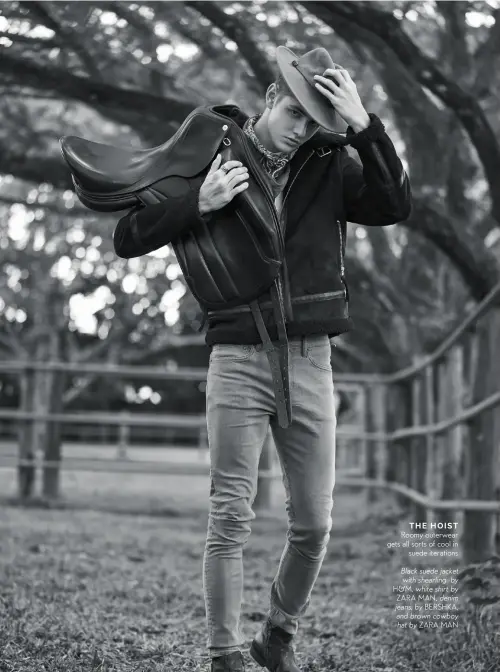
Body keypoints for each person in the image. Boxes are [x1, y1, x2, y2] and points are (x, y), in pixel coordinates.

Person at [113, 46, 411, 672]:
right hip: (236, 358)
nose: (302, 128)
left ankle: (277, 632)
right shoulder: (207, 156)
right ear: (271, 98)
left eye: (315, 120)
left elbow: (394, 205)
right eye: (295, 113)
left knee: (314, 524)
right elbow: (128, 237)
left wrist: (365, 127)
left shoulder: (331, 166)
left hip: (310, 359)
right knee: (229, 518)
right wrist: (198, 203)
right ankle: (224, 655)